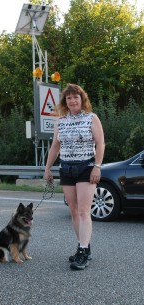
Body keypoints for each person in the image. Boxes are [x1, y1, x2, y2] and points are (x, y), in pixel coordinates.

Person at [44, 83, 105, 270]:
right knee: (73, 211)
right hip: (66, 168)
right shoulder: (60, 121)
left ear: (82, 99)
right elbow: (55, 146)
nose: (72, 100)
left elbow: (101, 144)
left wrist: (97, 166)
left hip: (86, 167)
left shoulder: (91, 118)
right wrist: (47, 169)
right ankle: (83, 246)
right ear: (65, 101)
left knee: (83, 211)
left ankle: (83, 252)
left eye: (75, 97)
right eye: (69, 98)